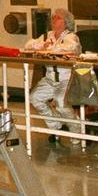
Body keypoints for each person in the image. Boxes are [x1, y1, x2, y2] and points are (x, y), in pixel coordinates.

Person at [23, 8, 81, 144]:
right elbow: (28, 45)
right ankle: (56, 125)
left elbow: (70, 48)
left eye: (58, 18)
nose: (54, 20)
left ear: (66, 22)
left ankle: (76, 130)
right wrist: (42, 45)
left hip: (66, 79)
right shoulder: (47, 36)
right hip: (49, 79)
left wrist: (49, 48)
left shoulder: (71, 37)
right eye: (53, 17)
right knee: (34, 98)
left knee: (61, 102)